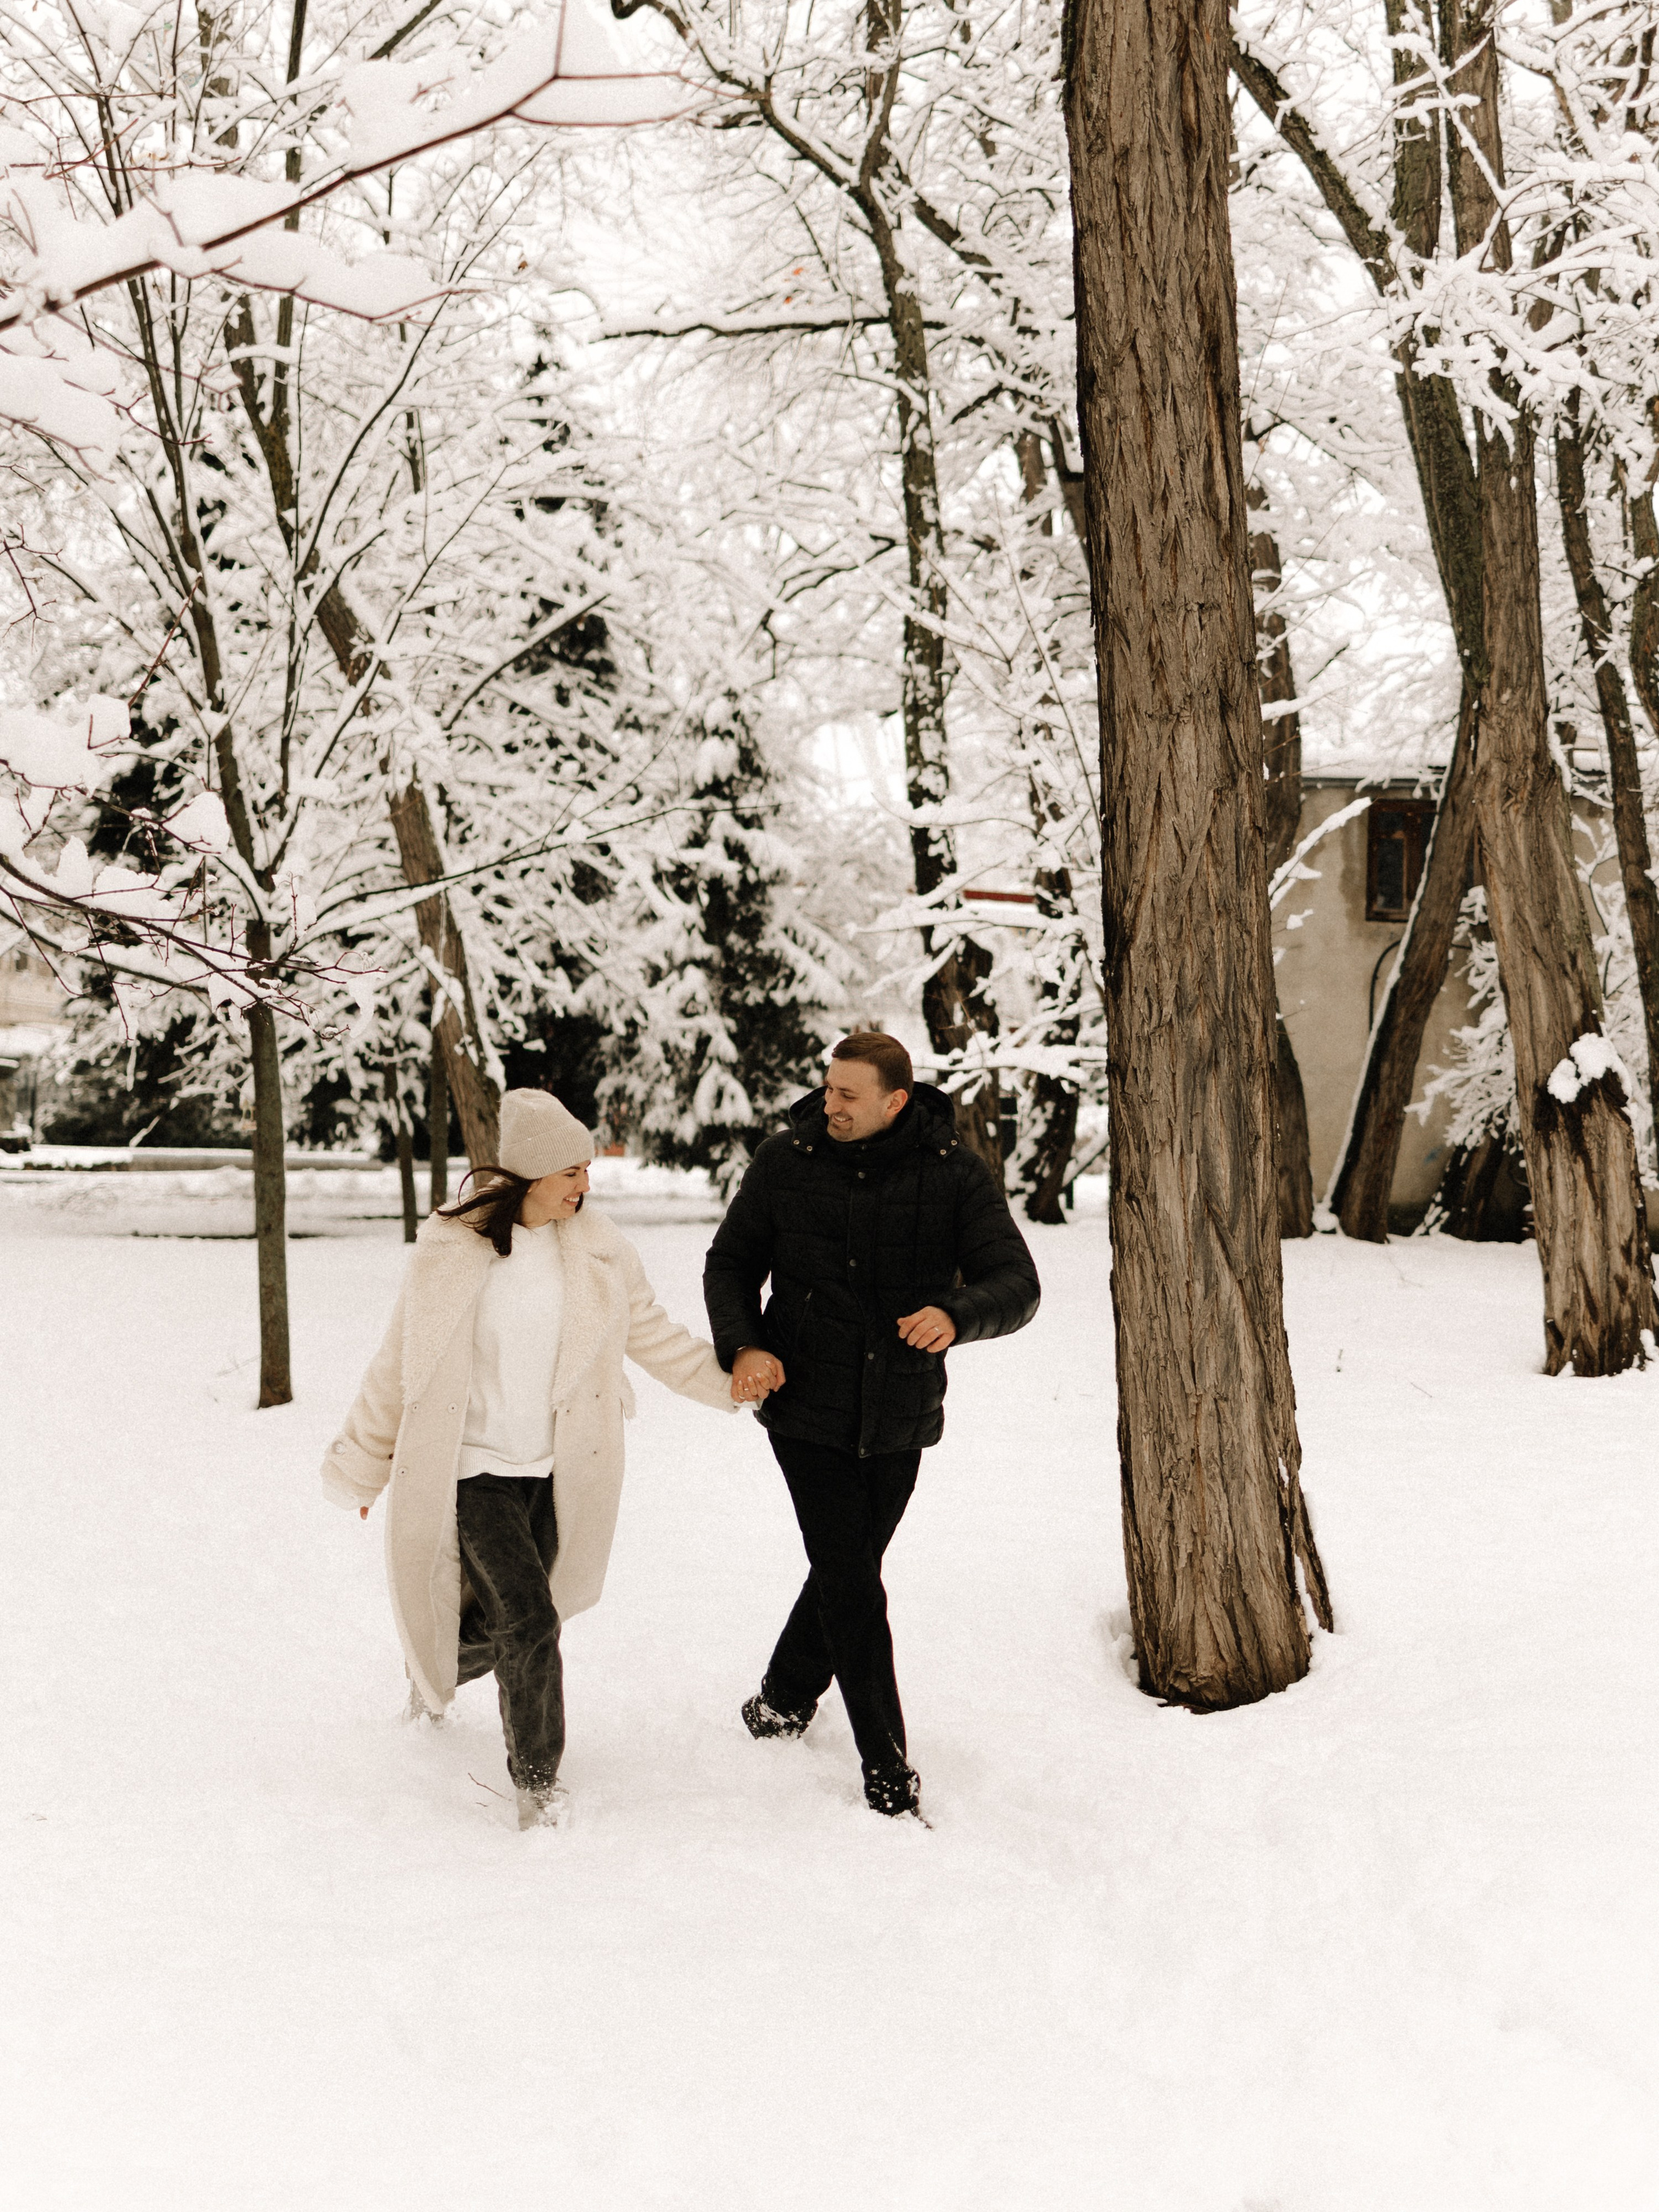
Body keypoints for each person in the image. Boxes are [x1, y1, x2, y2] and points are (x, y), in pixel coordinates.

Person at [323, 1089, 771, 1828]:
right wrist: (362, 1466)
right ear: (528, 1172)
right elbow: (396, 1364)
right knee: (529, 1620)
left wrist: (730, 1383)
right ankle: (537, 1785)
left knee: (518, 1620)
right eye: (570, 1170)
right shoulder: (450, 1248)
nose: (583, 1185)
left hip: (561, 1471)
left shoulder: (598, 1248)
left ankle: (432, 1662)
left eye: (586, 1169)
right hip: (472, 1470)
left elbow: (652, 1334)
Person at [704, 1032, 1040, 1820]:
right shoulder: (787, 1162)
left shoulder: (951, 1172)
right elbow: (730, 1262)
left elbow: (1017, 1282)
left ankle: (783, 1699)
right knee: (854, 1581)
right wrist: (746, 1342)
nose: (831, 1104)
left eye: (849, 1094)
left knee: (841, 1564)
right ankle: (885, 1768)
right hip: (804, 1405)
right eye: (828, 1088)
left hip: (900, 1411)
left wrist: (956, 1315)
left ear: (896, 1101)